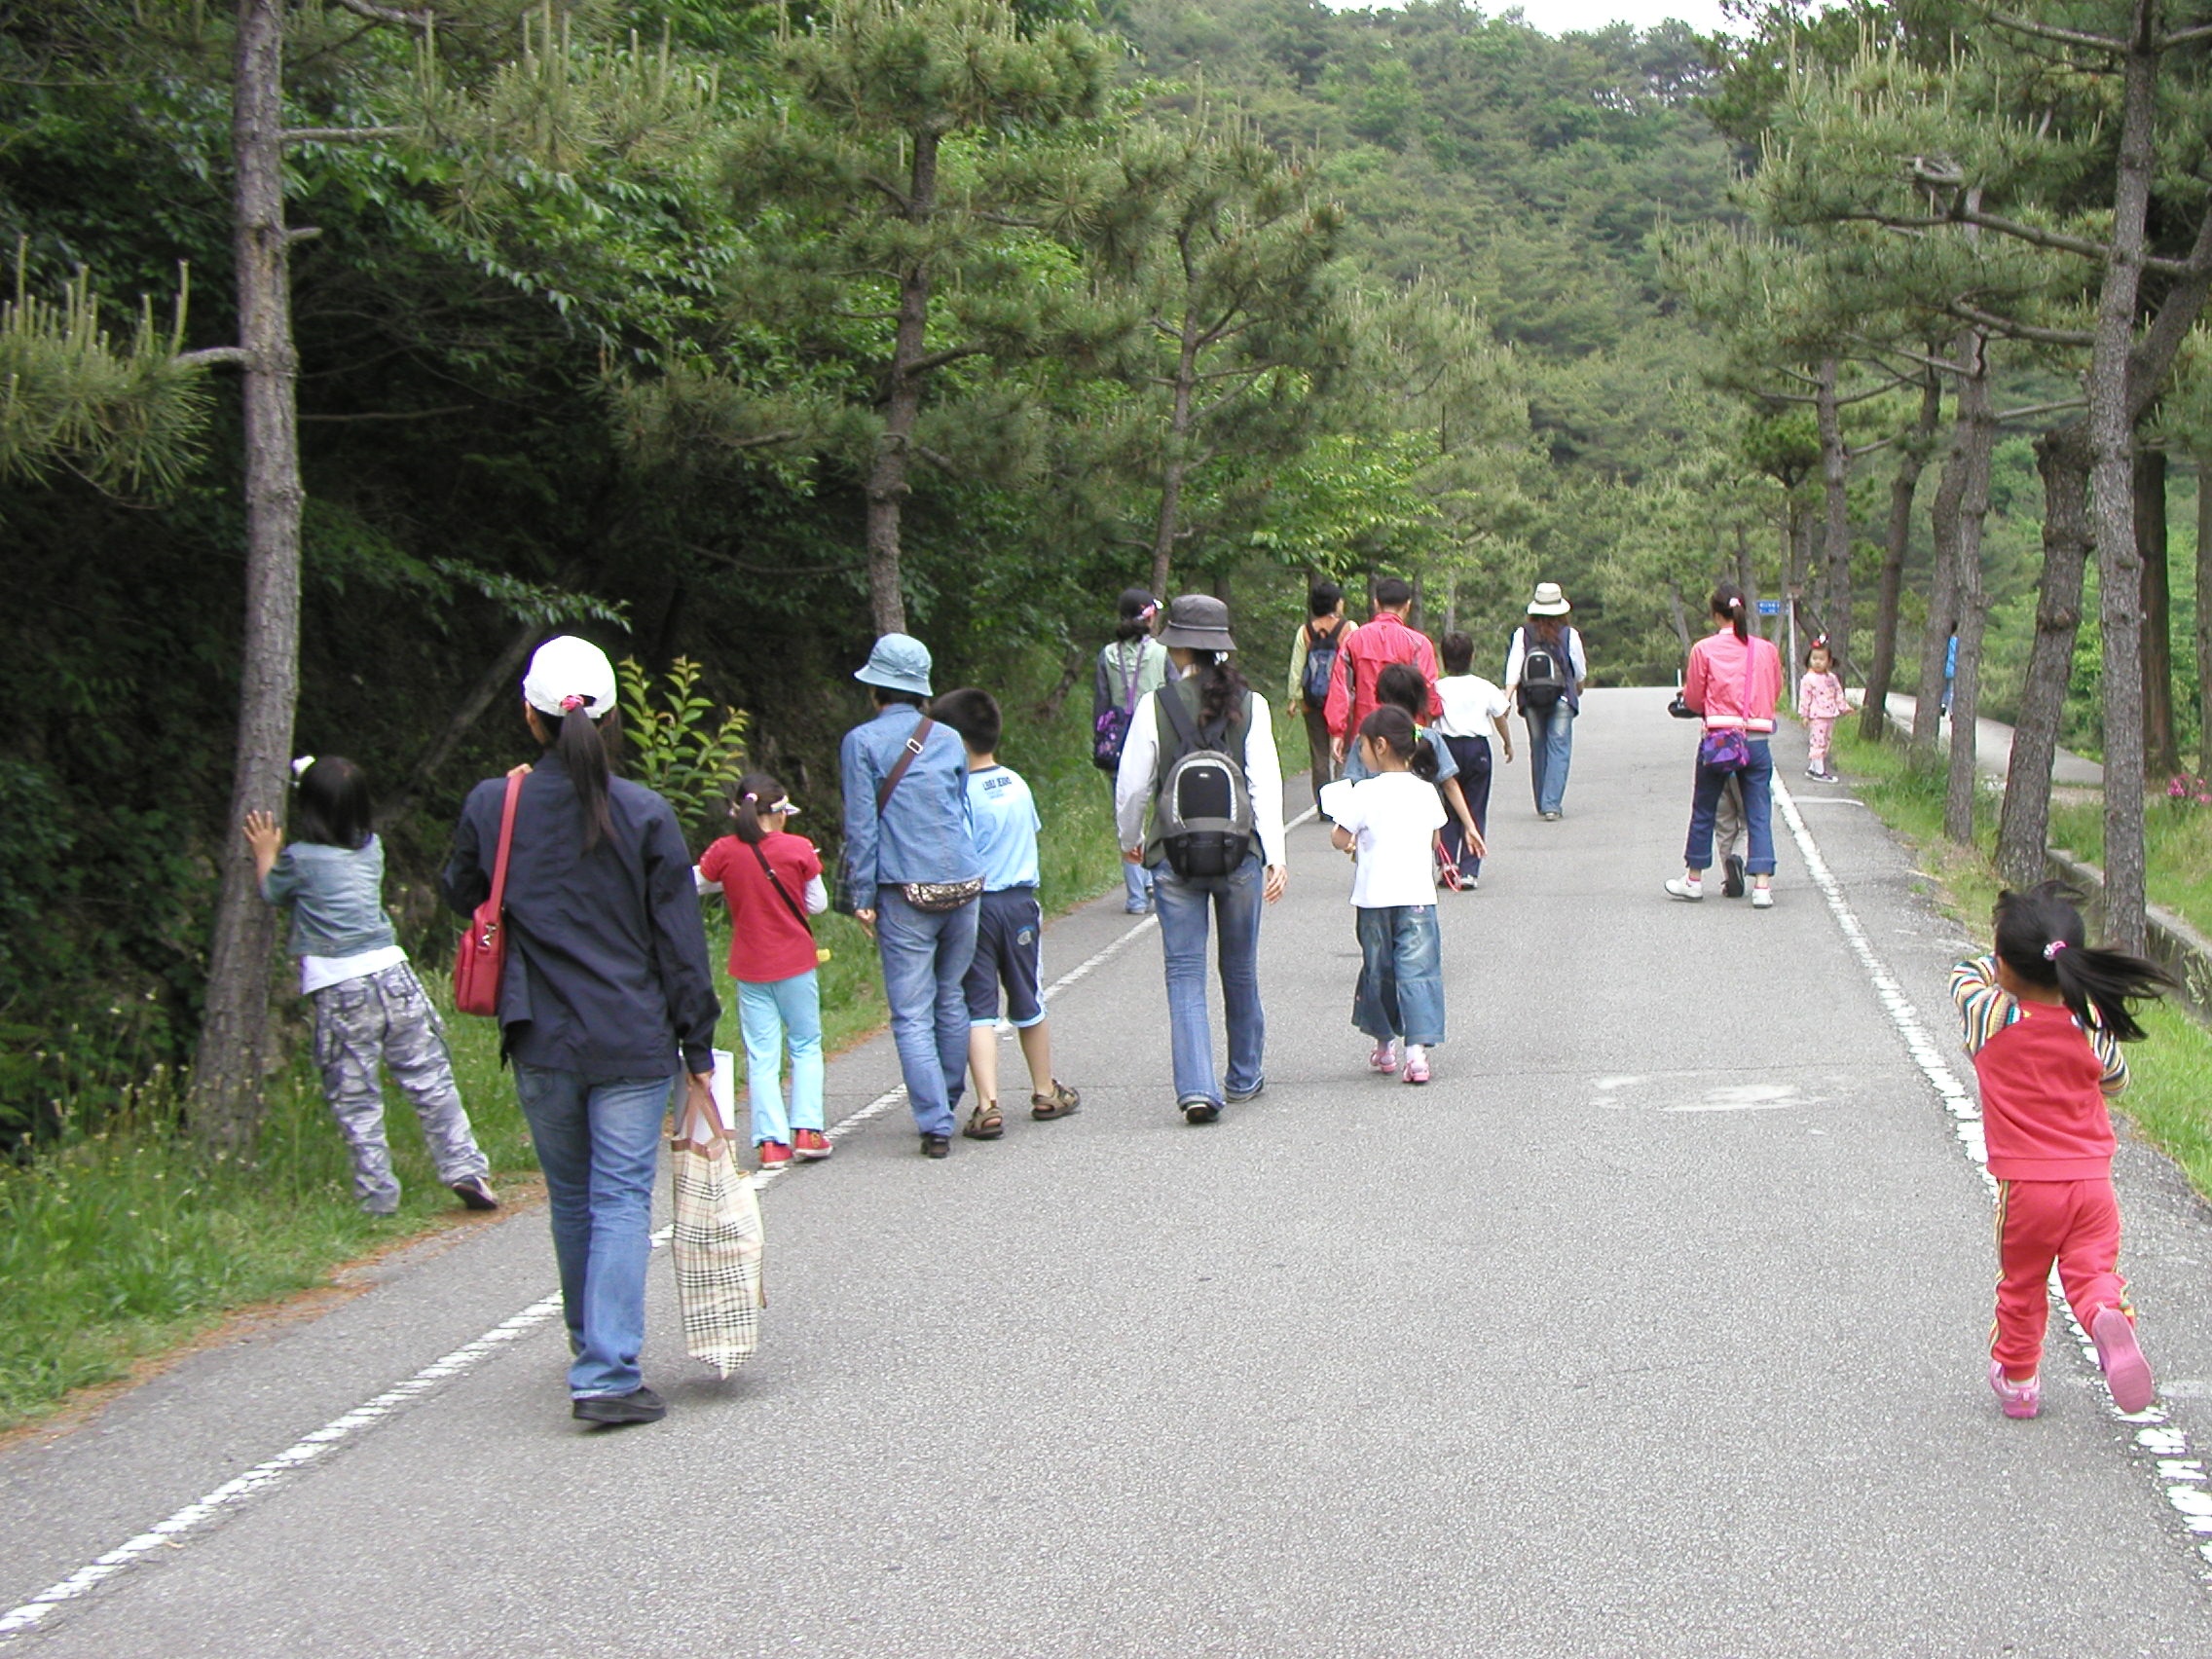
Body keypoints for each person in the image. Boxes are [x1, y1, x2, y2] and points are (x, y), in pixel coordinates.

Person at [443, 635, 719, 1427]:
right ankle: (607, 1368)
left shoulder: (497, 803)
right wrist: (696, 1044)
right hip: (633, 1037)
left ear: (529, 715)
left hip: (539, 1034)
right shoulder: (644, 812)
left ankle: (588, 1344)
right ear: (612, 720)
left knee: (572, 1197)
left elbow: (462, 887)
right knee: (622, 1196)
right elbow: (680, 944)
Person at [1950, 882, 2174, 1419]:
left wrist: (2003, 956)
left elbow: (1963, 974)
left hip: (2028, 1189)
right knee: (2093, 1271)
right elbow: (2115, 1082)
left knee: (2023, 1284)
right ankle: (2103, 1315)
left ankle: (2020, 1381)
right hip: (2093, 1185)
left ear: (2005, 965)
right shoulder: (2089, 1022)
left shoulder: (1992, 1016)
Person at [245, 757, 497, 1218]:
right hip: (394, 975)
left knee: (356, 1095)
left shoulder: (299, 860)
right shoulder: (372, 850)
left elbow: (271, 892)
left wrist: (266, 852)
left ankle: (377, 1196)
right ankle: (465, 1166)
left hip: (341, 987)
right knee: (431, 1081)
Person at [1115, 595, 1288, 1124]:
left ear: (1179, 645)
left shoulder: (1156, 704)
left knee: (1184, 972)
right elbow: (1264, 784)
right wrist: (1275, 855)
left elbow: (1132, 787)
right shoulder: (1252, 705)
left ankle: (1196, 1087)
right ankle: (1243, 1075)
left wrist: (1130, 838)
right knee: (1239, 967)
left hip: (1175, 857)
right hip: (1239, 856)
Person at [838, 633, 983, 1160]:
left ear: (876, 688)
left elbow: (861, 827)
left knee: (910, 1010)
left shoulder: (860, 743)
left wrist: (862, 894)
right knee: (951, 995)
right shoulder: (946, 737)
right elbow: (956, 805)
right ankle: (946, 1098)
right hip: (965, 882)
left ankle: (934, 1121)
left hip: (906, 889)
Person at [933, 687, 1081, 1140]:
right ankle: (1044, 1089)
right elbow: (1030, 832)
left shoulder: (957, 795)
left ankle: (988, 1103)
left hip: (974, 906)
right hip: (1018, 903)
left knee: (978, 1003)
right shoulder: (1016, 783)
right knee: (1028, 995)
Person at [696, 772, 830, 1171]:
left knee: (762, 1053)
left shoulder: (725, 851)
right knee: (805, 1043)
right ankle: (808, 1129)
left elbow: (696, 882)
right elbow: (818, 903)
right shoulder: (799, 848)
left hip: (750, 965)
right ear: (781, 813)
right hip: (795, 961)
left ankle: (771, 1142)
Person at [1320, 707, 1448, 1085]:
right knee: (1418, 971)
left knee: (1380, 971)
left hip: (1374, 900)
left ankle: (1384, 1046)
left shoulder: (1364, 792)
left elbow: (1340, 837)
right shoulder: (1426, 791)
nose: (1359, 752)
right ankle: (1417, 1054)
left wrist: (1353, 844)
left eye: (1361, 744)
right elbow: (1435, 838)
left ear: (1379, 745)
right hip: (1417, 897)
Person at [1665, 584, 1784, 908]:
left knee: (1704, 808)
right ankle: (1762, 885)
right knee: (1758, 811)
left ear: (1716, 614)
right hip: (1756, 738)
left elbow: (1693, 697)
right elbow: (1775, 690)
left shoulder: (1704, 649)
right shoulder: (1766, 650)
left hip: (1719, 741)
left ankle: (1693, 879)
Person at [1341, 663, 1484, 885]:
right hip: (1416, 850)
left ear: (1380, 697)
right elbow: (1450, 785)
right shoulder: (1429, 738)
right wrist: (1470, 825)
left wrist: (1348, 831)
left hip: (1374, 849)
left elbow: (1351, 788)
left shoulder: (1367, 741)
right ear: (1419, 699)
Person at [1094, 589, 1170, 914]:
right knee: (1163, 810)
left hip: (1119, 739)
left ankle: (1136, 895)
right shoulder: (1162, 653)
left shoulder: (1107, 654)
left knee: (1127, 810)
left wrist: (1098, 742)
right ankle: (1158, 878)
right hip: (1158, 734)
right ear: (1149, 616)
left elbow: (1100, 702)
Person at [1324, 575, 1440, 767]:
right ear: (1407, 605)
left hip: (1365, 734)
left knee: (1364, 792)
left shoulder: (1353, 640)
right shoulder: (1419, 644)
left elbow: (1340, 688)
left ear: (1377, 603)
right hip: (1406, 735)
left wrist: (1337, 731)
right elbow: (1429, 691)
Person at [1431, 631, 1513, 887]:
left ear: (1443, 660)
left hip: (1445, 748)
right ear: (1472, 657)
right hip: (1477, 748)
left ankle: (1447, 864)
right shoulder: (1483, 686)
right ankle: (1470, 869)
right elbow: (1500, 713)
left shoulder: (1436, 688)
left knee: (1447, 808)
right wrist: (1507, 741)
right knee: (1475, 805)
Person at [1504, 581, 1586, 821]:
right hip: (1561, 696)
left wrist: (1508, 696)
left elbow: (1515, 666)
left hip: (1531, 699)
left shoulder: (1523, 634)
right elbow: (1579, 669)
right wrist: (1578, 687)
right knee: (1559, 748)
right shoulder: (1569, 634)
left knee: (1538, 747)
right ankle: (1552, 804)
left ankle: (1542, 800)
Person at [1288, 581, 1356, 809]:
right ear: (1336, 603)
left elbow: (1297, 666)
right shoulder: (1349, 628)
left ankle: (1324, 805)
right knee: (1343, 750)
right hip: (1343, 700)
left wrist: (1294, 697)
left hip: (1312, 701)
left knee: (1319, 753)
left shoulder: (1305, 630)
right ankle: (1343, 803)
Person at [1798, 640, 1849, 783]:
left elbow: (1838, 693)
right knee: (1817, 742)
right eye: (1814, 658)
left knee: (1826, 741)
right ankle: (1819, 771)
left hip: (1830, 714)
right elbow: (1805, 697)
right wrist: (1804, 715)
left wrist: (1843, 707)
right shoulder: (1808, 679)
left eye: (1821, 659)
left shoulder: (1832, 678)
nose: (1818, 662)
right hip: (1817, 715)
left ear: (1829, 661)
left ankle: (1814, 767)